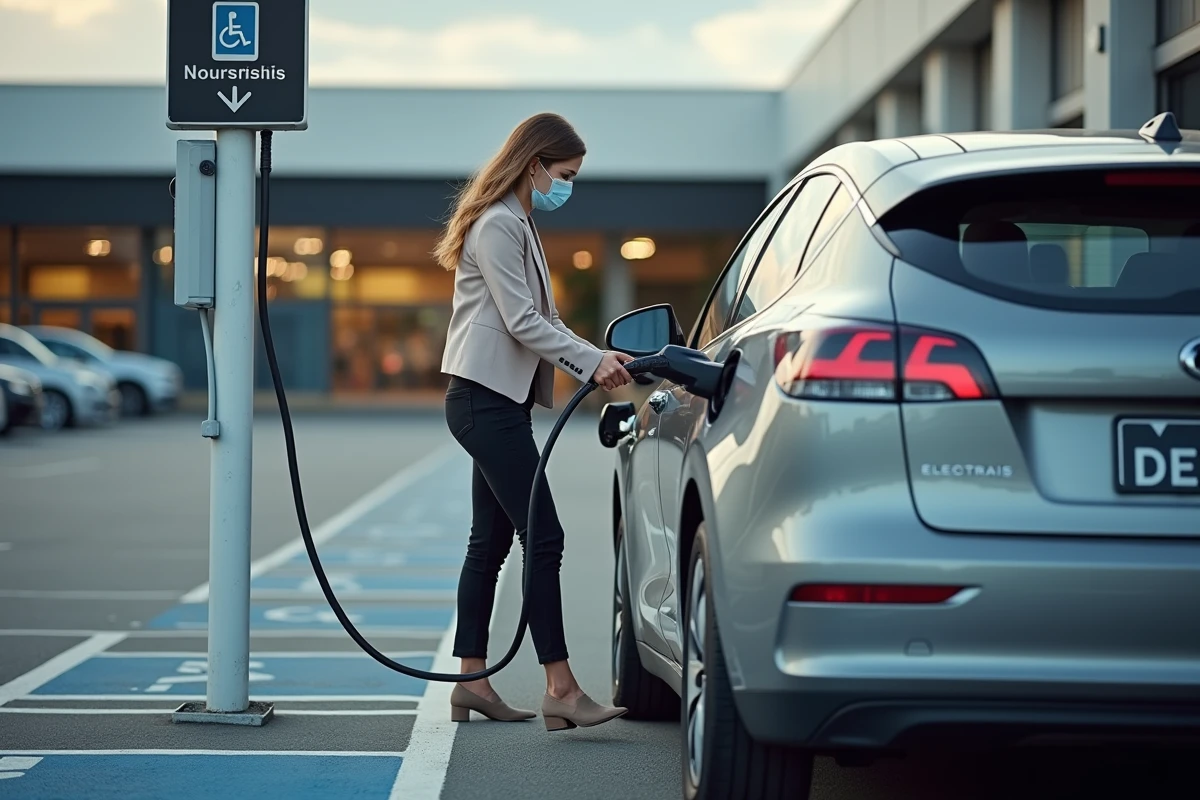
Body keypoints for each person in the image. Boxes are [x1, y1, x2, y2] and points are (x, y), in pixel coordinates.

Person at [434, 112, 634, 731]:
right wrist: (588, 362)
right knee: (544, 537)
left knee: (489, 544)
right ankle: (561, 689)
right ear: (535, 163)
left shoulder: (517, 222)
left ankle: (473, 682)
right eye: (565, 174)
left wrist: (600, 355)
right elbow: (522, 322)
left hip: (496, 401)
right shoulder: (498, 225)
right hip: (482, 402)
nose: (566, 186)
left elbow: (543, 318)